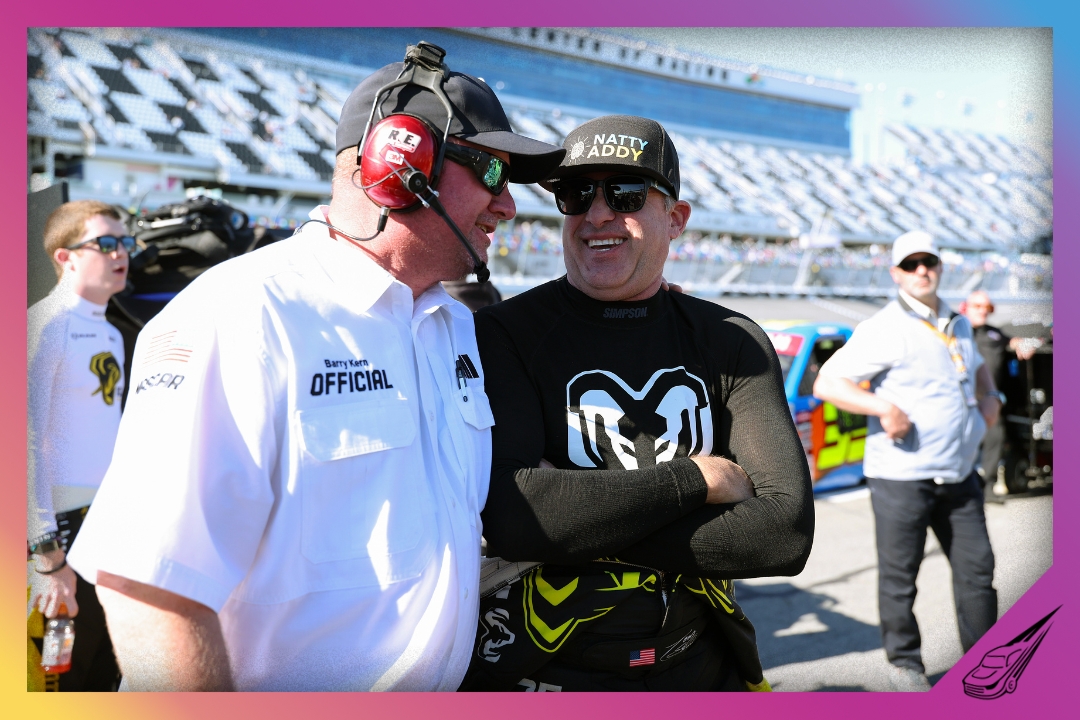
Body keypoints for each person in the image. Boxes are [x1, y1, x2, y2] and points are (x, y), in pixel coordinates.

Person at [67, 45, 565, 691]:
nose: (509, 208)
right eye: (494, 175)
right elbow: (149, 588)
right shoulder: (240, 316)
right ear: (400, 163)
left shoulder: (454, 325)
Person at [460, 115, 814, 692]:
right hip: (542, 673)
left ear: (675, 219)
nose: (597, 214)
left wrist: (572, 518)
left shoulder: (731, 340)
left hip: (702, 666)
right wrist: (696, 482)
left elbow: (783, 535)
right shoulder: (503, 333)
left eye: (624, 194)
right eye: (576, 194)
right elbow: (514, 518)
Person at [813, 231, 1001, 691]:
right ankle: (905, 665)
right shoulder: (882, 327)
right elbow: (828, 384)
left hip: (959, 473)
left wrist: (990, 395)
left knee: (979, 572)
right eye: (911, 263)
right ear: (896, 273)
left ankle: (989, 668)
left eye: (929, 261)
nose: (922, 270)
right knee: (901, 578)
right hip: (902, 477)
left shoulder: (956, 320)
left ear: (939, 266)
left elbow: (974, 364)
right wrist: (884, 409)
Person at [28, 199, 131, 691]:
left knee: (96, 674)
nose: (121, 252)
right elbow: (19, 447)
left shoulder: (110, 333)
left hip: (105, 528)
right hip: (58, 540)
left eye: (126, 242)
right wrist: (47, 559)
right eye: (106, 243)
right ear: (66, 257)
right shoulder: (43, 326)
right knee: (54, 679)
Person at [961, 290, 1036, 501]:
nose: (983, 311)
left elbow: (1013, 343)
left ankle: (987, 487)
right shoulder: (958, 332)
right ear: (966, 307)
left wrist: (1023, 345)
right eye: (977, 306)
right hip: (962, 401)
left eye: (987, 308)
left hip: (989, 401)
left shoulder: (994, 333)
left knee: (995, 438)